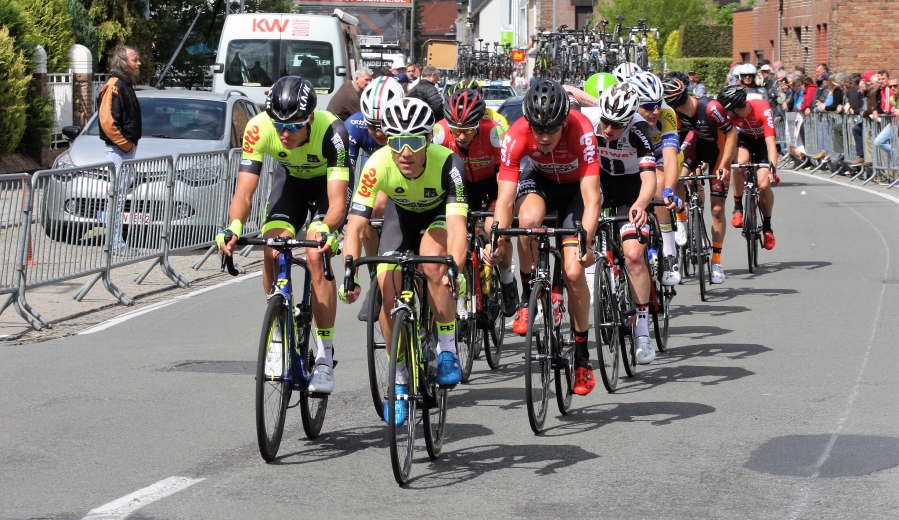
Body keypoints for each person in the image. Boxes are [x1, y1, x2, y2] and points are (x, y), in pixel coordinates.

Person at [217, 76, 351, 394]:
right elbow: (244, 192)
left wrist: (324, 229)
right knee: (272, 248)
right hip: (290, 182)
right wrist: (234, 225)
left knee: (316, 255)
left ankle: (324, 355)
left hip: (325, 191)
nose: (284, 133)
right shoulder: (259, 127)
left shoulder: (333, 132)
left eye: (293, 126)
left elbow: (336, 204)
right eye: (279, 126)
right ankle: (279, 328)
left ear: (310, 120)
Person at [340, 98, 468, 425]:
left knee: (435, 265)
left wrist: (457, 266)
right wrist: (349, 271)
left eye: (413, 142)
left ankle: (448, 346)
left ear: (427, 140)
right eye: (397, 142)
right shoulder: (379, 164)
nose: (405, 152)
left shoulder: (449, 163)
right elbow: (355, 226)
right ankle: (398, 379)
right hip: (401, 219)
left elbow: (457, 228)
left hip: (437, 217)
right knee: (386, 291)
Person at [492, 79, 600, 395]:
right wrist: (497, 239)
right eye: (538, 128)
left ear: (564, 120)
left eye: (551, 129)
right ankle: (530, 296)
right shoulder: (518, 135)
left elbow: (592, 198)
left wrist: (587, 243)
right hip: (540, 182)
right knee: (525, 222)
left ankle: (581, 354)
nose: (543, 136)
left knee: (573, 271)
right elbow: (504, 200)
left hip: (576, 190)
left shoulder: (581, 130)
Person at [583, 82, 659, 365]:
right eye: (605, 121)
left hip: (631, 189)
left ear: (629, 120)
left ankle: (642, 331)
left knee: (634, 256)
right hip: (600, 184)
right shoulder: (592, 120)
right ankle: (597, 272)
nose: (608, 129)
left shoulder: (639, 129)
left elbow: (649, 178)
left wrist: (640, 204)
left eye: (616, 125)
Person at [433, 88, 518, 317]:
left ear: (479, 123)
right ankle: (460, 297)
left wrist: (501, 216)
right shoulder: (439, 132)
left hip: (491, 186)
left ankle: (508, 278)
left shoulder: (494, 132)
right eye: (457, 130)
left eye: (468, 130)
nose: (461, 136)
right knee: (456, 237)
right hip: (458, 188)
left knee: (495, 228)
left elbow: (506, 179)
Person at [663, 75, 738, 285]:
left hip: (718, 151)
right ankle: (681, 219)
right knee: (677, 179)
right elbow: (675, 139)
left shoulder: (711, 107)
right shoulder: (674, 113)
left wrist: (724, 165)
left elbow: (731, 135)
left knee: (716, 210)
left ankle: (716, 262)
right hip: (695, 144)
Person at [345, 77, 405, 314]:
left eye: (384, 125)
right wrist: (345, 210)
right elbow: (346, 175)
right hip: (377, 177)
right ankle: (375, 277)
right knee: (366, 214)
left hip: (409, 182)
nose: (378, 132)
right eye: (372, 125)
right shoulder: (354, 125)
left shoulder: (409, 120)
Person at [628, 71, 682, 285]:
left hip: (659, 152)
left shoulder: (667, 114)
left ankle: (669, 253)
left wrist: (669, 189)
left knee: (659, 187)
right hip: (634, 155)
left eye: (658, 104)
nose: (655, 111)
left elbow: (670, 158)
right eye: (648, 106)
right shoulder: (625, 113)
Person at [720, 86, 778, 251]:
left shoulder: (762, 109)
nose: (725, 114)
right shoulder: (729, 115)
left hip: (762, 143)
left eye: (728, 111)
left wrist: (773, 169)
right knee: (740, 163)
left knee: (764, 185)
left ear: (736, 109)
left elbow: (770, 144)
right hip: (744, 139)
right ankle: (738, 207)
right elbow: (725, 141)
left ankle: (767, 227)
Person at [97, 44, 142, 253]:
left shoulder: (124, 85)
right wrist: (126, 144)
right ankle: (115, 243)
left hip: (124, 151)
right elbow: (107, 122)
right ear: (123, 63)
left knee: (118, 197)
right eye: (135, 60)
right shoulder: (115, 85)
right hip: (119, 151)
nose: (139, 63)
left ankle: (116, 241)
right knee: (116, 198)